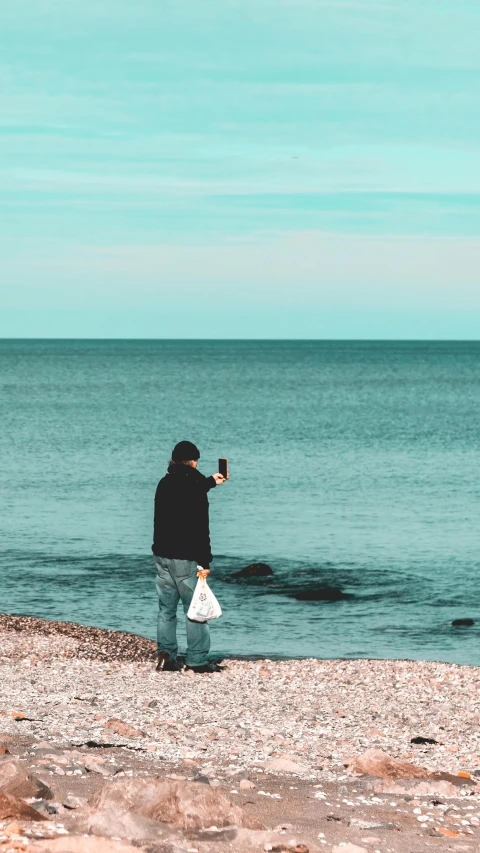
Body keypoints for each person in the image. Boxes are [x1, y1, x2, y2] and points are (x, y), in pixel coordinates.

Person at [152, 440, 226, 673]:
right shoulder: (194, 484)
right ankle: (196, 660)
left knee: (166, 610)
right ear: (194, 461)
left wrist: (211, 482)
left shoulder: (164, 482)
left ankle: (166, 654)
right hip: (185, 557)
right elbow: (200, 526)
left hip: (162, 555)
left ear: (174, 460)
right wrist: (205, 560)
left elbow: (188, 489)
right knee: (195, 609)